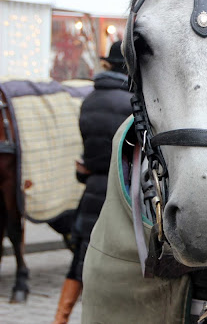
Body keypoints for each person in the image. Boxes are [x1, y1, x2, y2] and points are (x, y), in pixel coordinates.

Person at [53, 40, 132, 324]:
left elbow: (90, 154)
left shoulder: (89, 100)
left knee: (80, 261)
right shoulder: (131, 104)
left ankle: (60, 318)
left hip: (92, 191)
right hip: (121, 193)